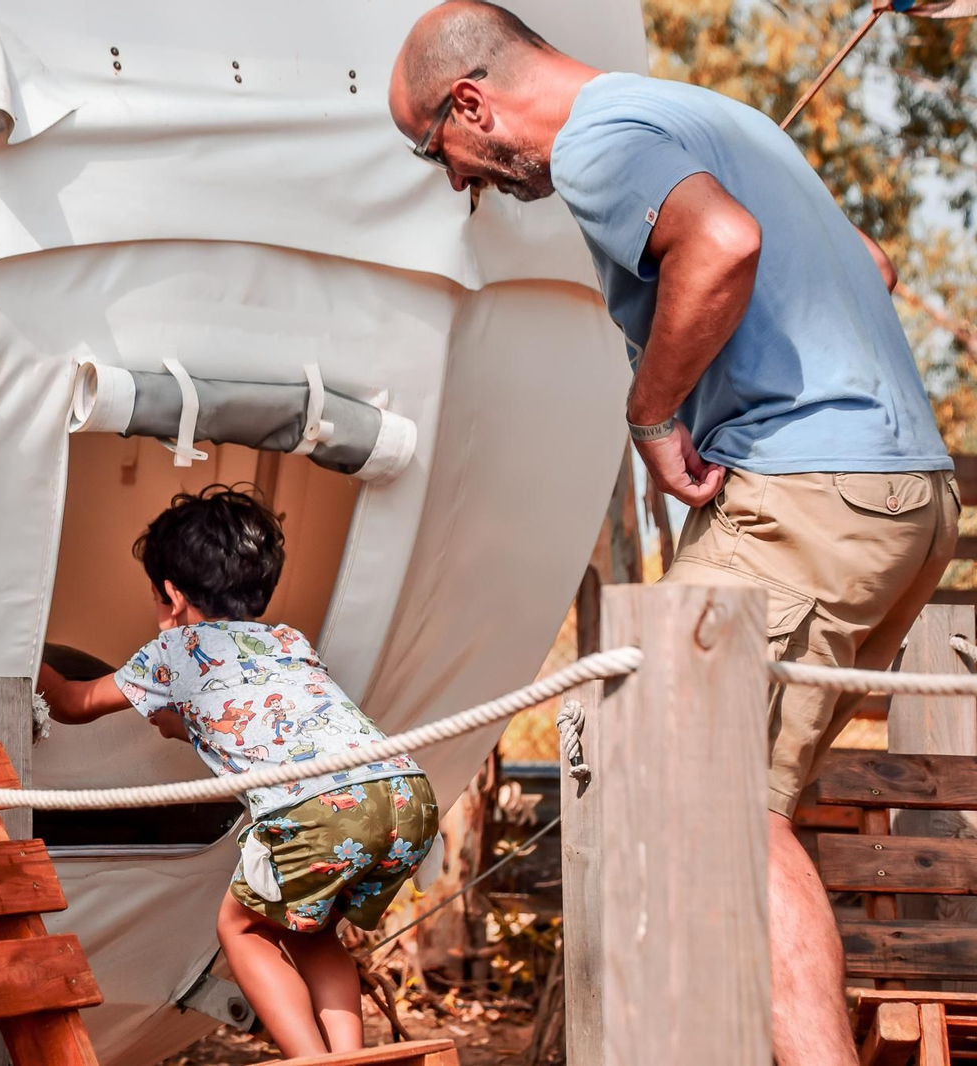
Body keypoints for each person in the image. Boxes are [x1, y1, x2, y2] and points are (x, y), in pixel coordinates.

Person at [387, 5, 956, 1062]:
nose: (460, 181)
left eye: (438, 153)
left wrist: (653, 414)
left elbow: (723, 243)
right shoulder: (716, 117)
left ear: (469, 103)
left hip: (805, 496)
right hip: (905, 499)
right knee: (737, 803)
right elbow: (869, 267)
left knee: (702, 799)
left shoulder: (597, 140)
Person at [37, 485, 438, 1058]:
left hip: (325, 811)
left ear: (172, 596)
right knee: (312, 929)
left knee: (242, 929)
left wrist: (21, 651)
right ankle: (348, 1058)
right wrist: (186, 725)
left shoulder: (173, 650)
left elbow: (73, 703)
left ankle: (310, 1059)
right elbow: (269, 721)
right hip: (406, 796)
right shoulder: (286, 639)